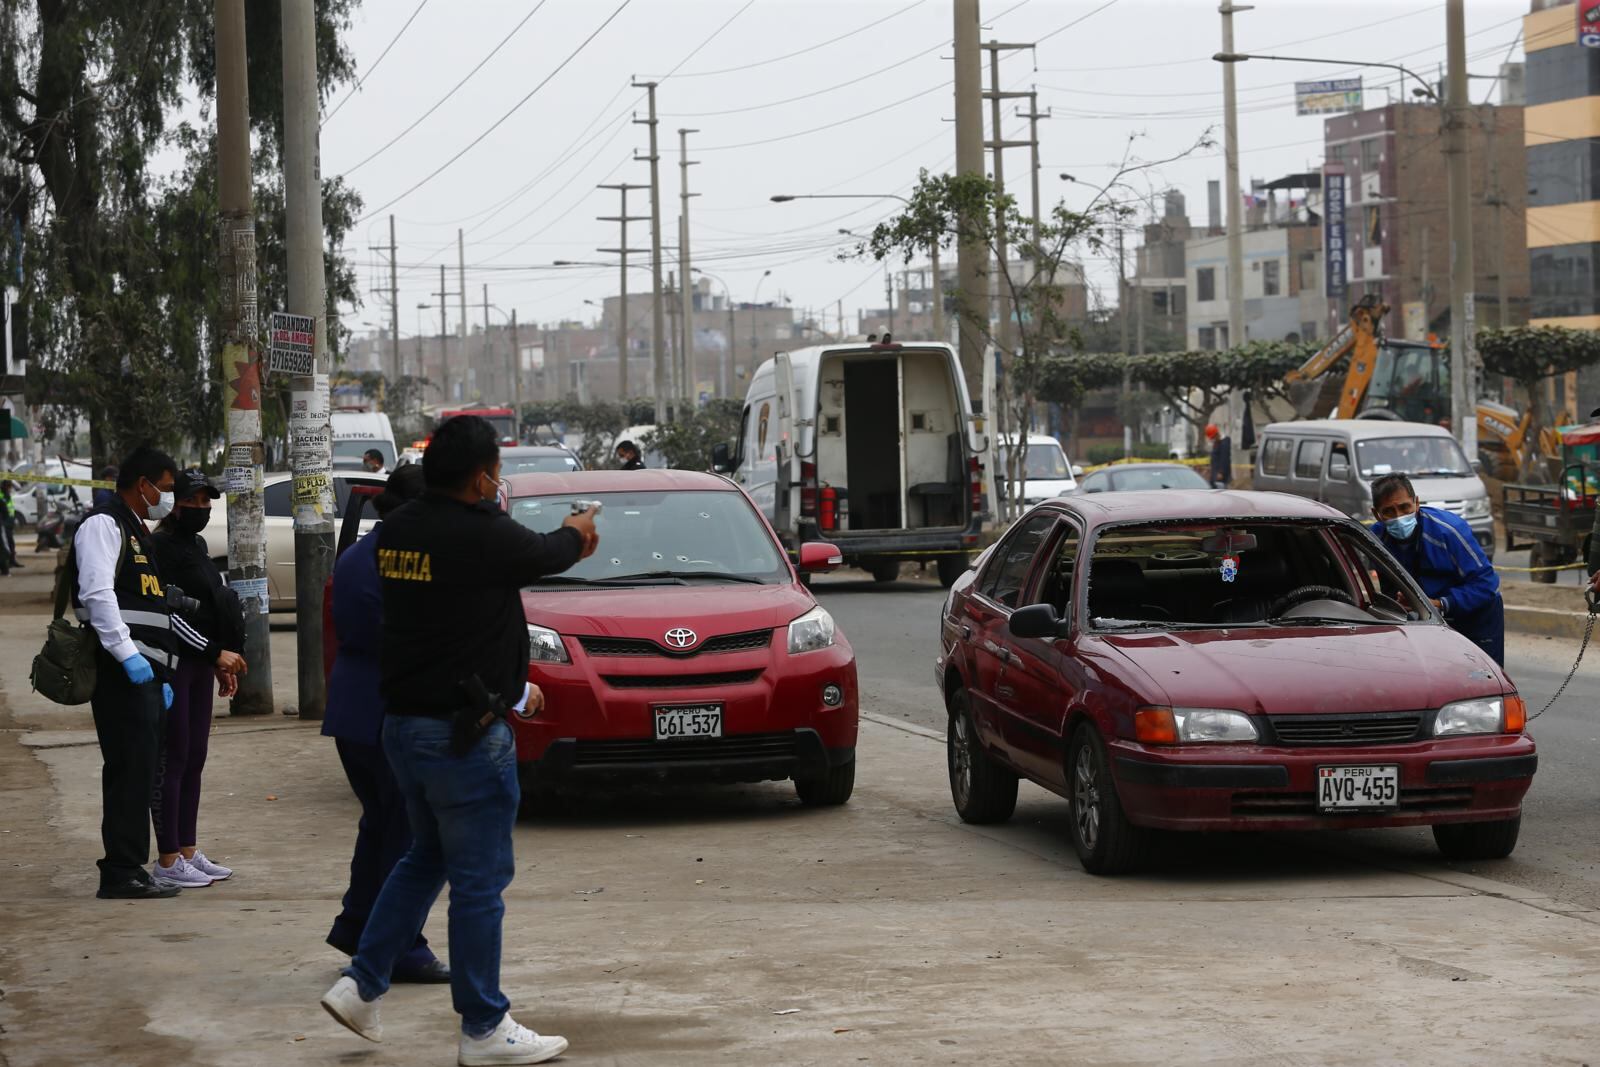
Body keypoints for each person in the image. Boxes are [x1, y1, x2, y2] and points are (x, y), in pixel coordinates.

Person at [320, 415, 598, 1065]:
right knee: (479, 880)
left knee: (425, 858)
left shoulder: (401, 531)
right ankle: (483, 1024)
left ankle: (360, 984)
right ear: (481, 477)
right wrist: (579, 530)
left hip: (404, 726)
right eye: (496, 470)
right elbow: (550, 554)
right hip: (464, 734)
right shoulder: (478, 535)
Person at [322, 463, 450, 985]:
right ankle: (400, 945)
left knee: (381, 826)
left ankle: (358, 926)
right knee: (409, 834)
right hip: (385, 711)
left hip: (356, 711)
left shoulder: (362, 555)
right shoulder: (393, 562)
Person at [73, 447, 212, 899]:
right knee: (130, 772)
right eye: (168, 490)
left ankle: (129, 866)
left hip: (147, 673)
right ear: (143, 485)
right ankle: (121, 870)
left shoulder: (136, 531)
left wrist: (160, 673)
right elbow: (97, 594)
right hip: (122, 672)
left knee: (141, 769)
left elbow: (144, 602)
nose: (169, 499)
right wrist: (127, 654)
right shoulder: (104, 525)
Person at [147, 470, 248, 890]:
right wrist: (213, 653)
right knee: (175, 758)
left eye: (207, 503)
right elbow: (169, 614)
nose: (201, 510)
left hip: (200, 666)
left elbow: (212, 604)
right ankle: (168, 858)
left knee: (196, 756)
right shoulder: (160, 547)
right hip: (174, 665)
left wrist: (218, 661)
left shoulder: (198, 544)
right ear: (175, 505)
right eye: (193, 503)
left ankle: (187, 849)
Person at [1370, 472, 1504, 666]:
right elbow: (1389, 589)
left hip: (1476, 617)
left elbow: (1486, 584)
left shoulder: (1448, 531)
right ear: (1377, 514)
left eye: (1404, 507)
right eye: (1389, 512)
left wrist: (1440, 604)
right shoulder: (1376, 539)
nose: (1399, 517)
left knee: (1484, 679)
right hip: (1428, 620)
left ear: (1416, 503)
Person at [0, 479, 21, 570]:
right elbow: (4, 510)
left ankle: (12, 561)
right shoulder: (1, 496)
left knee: (11, 544)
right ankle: (6, 563)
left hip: (9, 522)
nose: (10, 489)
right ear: (5, 487)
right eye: (9, 487)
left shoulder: (7, 494)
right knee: (6, 544)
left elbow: (19, 487)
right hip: (4, 524)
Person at [1205, 423, 1231, 489]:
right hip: (1215, 474)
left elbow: (1225, 459)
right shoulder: (1217, 443)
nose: (1212, 439)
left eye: (1213, 437)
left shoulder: (1224, 443)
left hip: (1221, 477)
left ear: (1216, 434)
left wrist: (1221, 472)